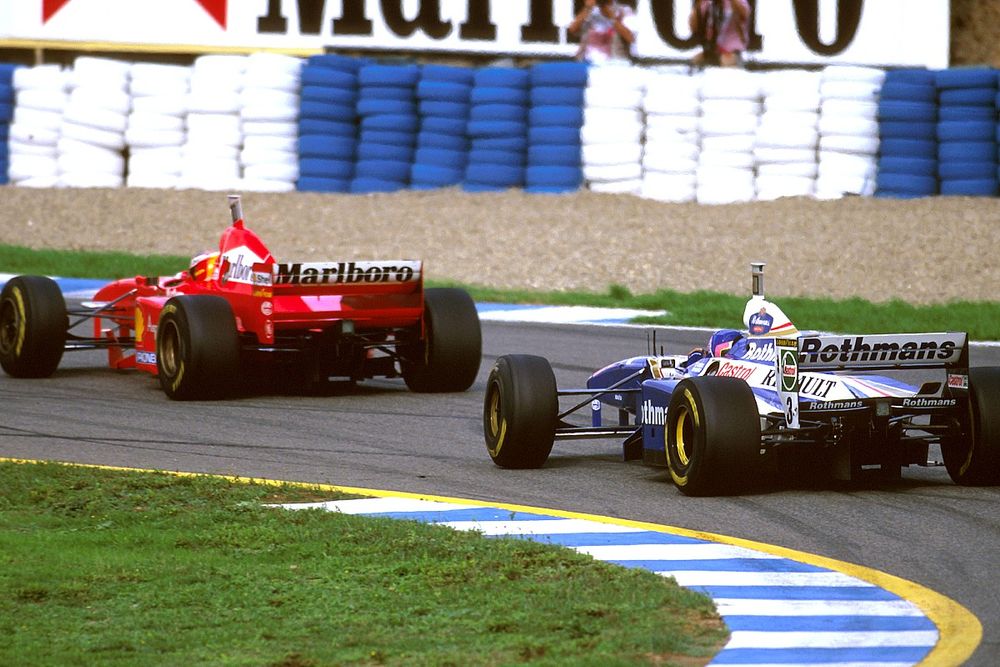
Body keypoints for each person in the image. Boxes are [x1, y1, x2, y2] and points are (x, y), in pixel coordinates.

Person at [568, 0, 638, 64]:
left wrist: (611, 18)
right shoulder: (590, 11)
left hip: (615, 64)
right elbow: (573, 29)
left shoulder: (624, 10)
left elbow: (630, 38)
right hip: (587, 62)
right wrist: (587, 8)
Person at [689, 0, 751, 68]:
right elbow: (694, 28)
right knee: (696, 60)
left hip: (732, 51)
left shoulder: (738, 1)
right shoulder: (706, 2)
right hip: (712, 50)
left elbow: (744, 14)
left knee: (726, 61)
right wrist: (697, 7)